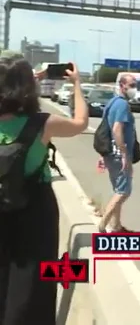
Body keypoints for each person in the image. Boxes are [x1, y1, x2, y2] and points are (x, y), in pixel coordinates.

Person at [0, 57, 88, 324]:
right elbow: (81, 122)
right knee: (35, 277)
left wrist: (19, 76)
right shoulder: (43, 124)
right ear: (28, 87)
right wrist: (76, 85)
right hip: (36, 209)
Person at [97, 74, 138, 233]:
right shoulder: (121, 105)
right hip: (117, 155)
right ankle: (102, 225)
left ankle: (116, 226)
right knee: (123, 192)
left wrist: (103, 154)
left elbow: (105, 129)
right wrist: (125, 154)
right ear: (122, 85)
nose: (134, 88)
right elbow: (116, 129)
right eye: (131, 85)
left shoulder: (112, 102)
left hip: (111, 154)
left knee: (118, 189)